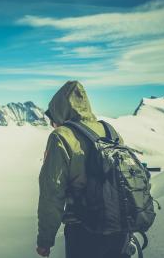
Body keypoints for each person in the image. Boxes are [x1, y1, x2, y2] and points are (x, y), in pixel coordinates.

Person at [36, 80, 129, 258]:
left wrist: (45, 240)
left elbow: (52, 192)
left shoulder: (61, 137)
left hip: (85, 232)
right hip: (120, 229)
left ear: (60, 109)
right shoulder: (110, 131)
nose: (52, 124)